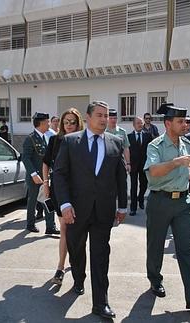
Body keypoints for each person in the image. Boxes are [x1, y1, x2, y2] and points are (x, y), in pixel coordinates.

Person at [53, 100, 127, 319]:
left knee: (101, 255)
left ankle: (100, 303)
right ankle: (78, 277)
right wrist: (64, 204)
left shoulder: (116, 142)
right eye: (100, 115)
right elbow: (59, 174)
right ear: (88, 118)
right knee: (76, 250)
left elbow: (121, 177)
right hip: (75, 211)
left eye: (106, 115)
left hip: (103, 212)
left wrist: (122, 206)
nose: (104, 119)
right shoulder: (70, 141)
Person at [144, 103, 190, 310]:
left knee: (187, 249)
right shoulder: (155, 145)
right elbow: (154, 171)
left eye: (185, 121)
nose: (185, 125)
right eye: (180, 121)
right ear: (168, 123)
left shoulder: (187, 144)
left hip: (183, 202)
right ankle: (155, 280)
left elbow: (187, 167)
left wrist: (186, 172)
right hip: (160, 201)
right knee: (155, 246)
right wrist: (177, 163)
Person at [42, 108, 84, 285]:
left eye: (72, 122)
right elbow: (45, 163)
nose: (69, 125)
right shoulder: (55, 140)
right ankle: (60, 268)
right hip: (61, 191)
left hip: (81, 192)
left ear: (78, 123)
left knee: (79, 232)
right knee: (65, 228)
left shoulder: (84, 141)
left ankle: (77, 266)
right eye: (66, 121)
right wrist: (45, 184)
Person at [22, 113, 59, 235]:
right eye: (48, 122)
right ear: (42, 123)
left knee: (48, 200)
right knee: (33, 200)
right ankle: (30, 224)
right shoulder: (30, 138)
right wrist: (33, 174)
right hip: (35, 177)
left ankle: (50, 227)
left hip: (45, 176)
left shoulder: (46, 137)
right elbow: (26, 158)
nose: (49, 124)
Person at [128, 116, 152, 216]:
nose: (140, 125)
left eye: (141, 123)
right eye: (138, 123)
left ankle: (141, 198)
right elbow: (127, 151)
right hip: (133, 165)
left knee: (144, 184)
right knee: (133, 186)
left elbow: (151, 150)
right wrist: (127, 163)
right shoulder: (129, 136)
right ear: (133, 125)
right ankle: (133, 208)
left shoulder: (148, 135)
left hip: (144, 164)